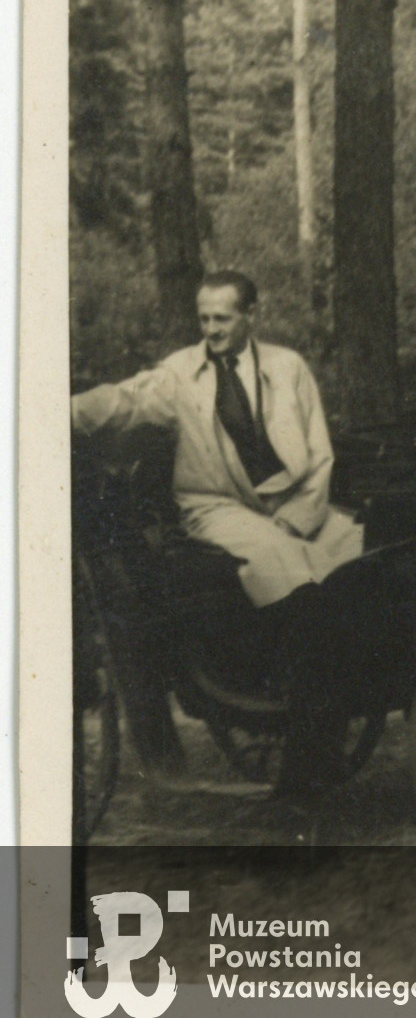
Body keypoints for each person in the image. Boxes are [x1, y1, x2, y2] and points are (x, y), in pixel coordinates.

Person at [71, 271, 366, 796]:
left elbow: (319, 454)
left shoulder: (288, 368)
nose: (211, 329)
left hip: (291, 503)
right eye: (204, 319)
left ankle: (326, 718)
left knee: (357, 556)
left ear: (252, 315)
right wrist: (61, 410)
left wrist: (298, 515)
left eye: (222, 319)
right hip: (217, 508)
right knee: (294, 574)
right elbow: (124, 401)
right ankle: (303, 755)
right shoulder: (179, 374)